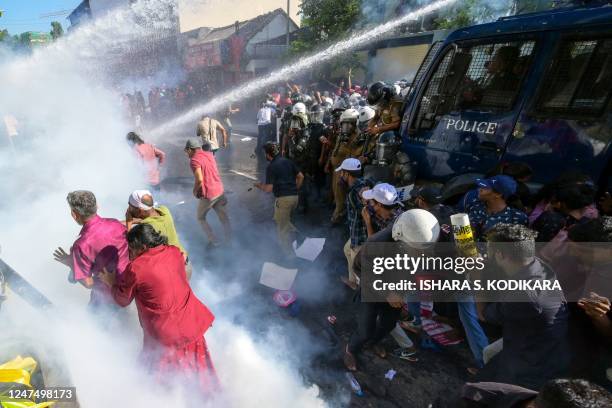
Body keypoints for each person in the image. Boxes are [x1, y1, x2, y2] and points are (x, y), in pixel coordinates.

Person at [98, 224, 217, 393]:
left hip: (164, 336)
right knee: (200, 376)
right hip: (192, 325)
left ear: (144, 247)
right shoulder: (174, 252)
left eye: (132, 249)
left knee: (157, 382)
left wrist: (110, 282)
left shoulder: (136, 268)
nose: (131, 254)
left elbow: (122, 300)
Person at [475, 223, 570, 390]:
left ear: (501, 255)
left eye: (489, 250)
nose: (485, 252)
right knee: (489, 353)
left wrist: (476, 280)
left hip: (533, 359)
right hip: (543, 338)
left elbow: (483, 314)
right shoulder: (537, 265)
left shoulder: (524, 295)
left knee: (497, 392)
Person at [344, 209, 440, 371]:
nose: (420, 254)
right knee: (365, 329)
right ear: (399, 237)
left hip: (399, 290)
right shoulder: (377, 243)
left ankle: (372, 343)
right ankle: (351, 349)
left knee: (388, 324)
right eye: (415, 249)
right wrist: (388, 293)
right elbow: (361, 271)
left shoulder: (428, 237)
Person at [53, 190, 129, 312]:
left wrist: (71, 263)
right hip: (130, 288)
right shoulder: (115, 224)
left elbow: (88, 283)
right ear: (97, 206)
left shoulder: (82, 245)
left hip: (107, 300)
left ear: (74, 214)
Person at [125, 190, 192, 280]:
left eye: (130, 207)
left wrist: (128, 222)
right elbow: (152, 218)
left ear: (140, 210)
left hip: (175, 271)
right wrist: (135, 220)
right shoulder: (164, 210)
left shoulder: (146, 227)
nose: (129, 209)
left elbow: (132, 247)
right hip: (186, 264)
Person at [254, 142, 304, 257]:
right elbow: (301, 176)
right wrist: (294, 189)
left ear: (268, 154)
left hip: (283, 200)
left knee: (282, 231)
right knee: (281, 220)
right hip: (295, 198)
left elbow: (268, 189)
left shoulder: (271, 167)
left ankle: (290, 257)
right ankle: (299, 235)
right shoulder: (287, 161)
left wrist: (258, 185)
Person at [185, 138, 231, 248]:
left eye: (187, 151)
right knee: (224, 217)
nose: (186, 153)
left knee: (200, 217)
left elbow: (199, 179)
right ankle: (229, 238)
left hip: (209, 194)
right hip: (219, 190)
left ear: (190, 149)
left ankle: (214, 240)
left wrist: (195, 191)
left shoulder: (194, 160)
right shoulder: (209, 154)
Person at [336, 158, 372, 290]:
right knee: (347, 249)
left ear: (347, 174)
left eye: (342, 173)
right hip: (356, 233)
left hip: (361, 236)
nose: (340, 176)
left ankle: (361, 289)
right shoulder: (363, 182)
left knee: (359, 265)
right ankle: (354, 281)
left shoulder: (354, 193)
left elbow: (366, 213)